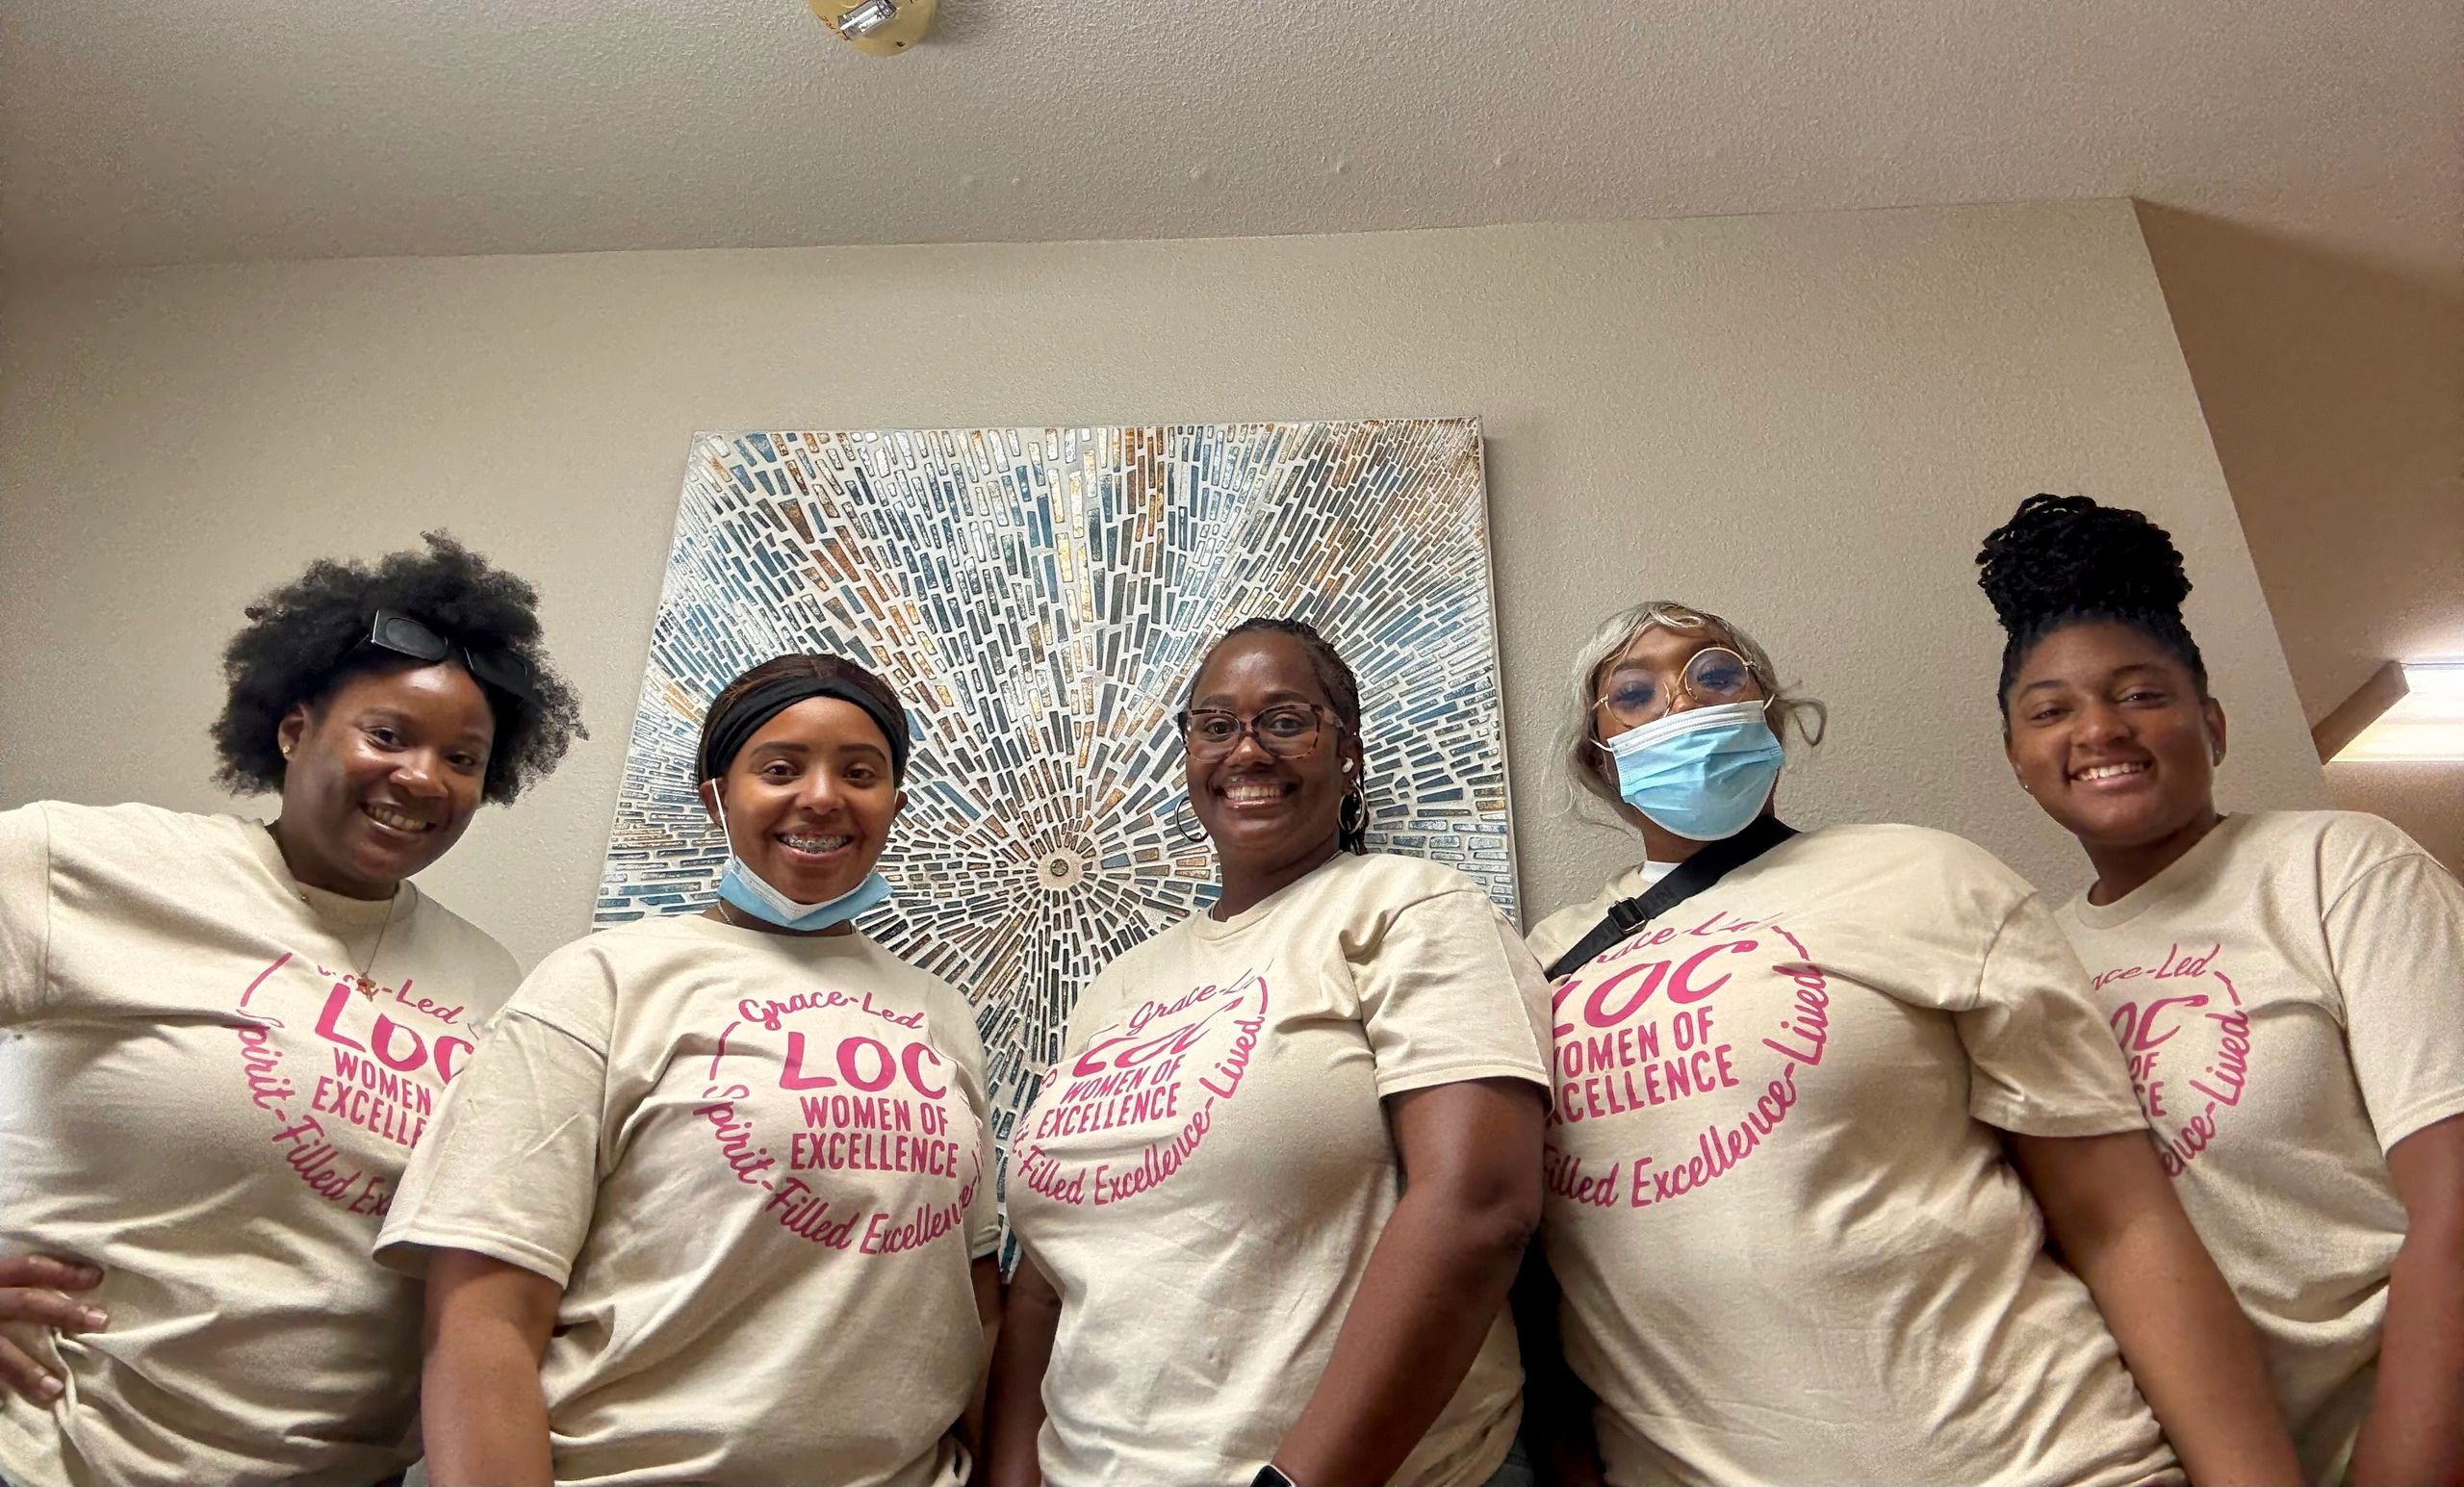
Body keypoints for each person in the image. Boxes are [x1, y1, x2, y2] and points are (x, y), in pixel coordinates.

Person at [1522, 599, 2299, 1487]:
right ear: (1600, 756)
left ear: (1769, 712)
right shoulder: (1541, 965)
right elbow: (1532, 1285)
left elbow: (2118, 1218)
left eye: (1716, 674)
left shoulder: (1926, 874)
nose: (1685, 703)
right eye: (1634, 693)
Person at [0, 533, 585, 1487]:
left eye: (462, 758)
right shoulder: (87, 865)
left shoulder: (487, 977)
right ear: (292, 729)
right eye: (387, 736)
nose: (423, 777)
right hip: (63, 1458)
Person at [377, 653, 1000, 1487]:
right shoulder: (601, 982)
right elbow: (481, 1318)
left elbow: (973, 1297)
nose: (822, 796)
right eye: (780, 768)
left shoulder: (942, 1014)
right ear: (717, 797)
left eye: (860, 772)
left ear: (894, 802)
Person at [985, 617, 1552, 1487]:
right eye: (1215, 725)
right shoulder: (1117, 986)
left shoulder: (1409, 907)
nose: (1246, 750)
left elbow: (1481, 1205)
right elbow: (1042, 1280)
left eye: (1286, 721)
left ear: (1348, 751)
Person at [1980, 493, 2464, 1485]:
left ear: (2211, 725)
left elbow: (2455, 1208)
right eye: (2051, 710)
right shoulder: (2032, 967)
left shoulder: (2336, 867)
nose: (2099, 728)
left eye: (2140, 694)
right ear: (2018, 759)